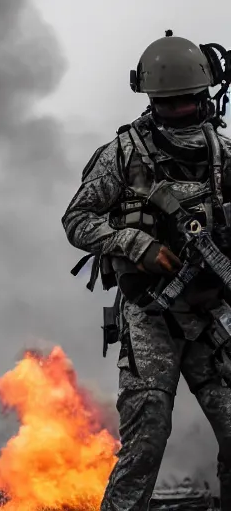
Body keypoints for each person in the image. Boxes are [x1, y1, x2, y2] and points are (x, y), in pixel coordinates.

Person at [62, 31, 231, 510]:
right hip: (151, 316)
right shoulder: (122, 155)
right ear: (152, 99)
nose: (179, 112)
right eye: (169, 104)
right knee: (146, 437)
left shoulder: (224, 155)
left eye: (188, 103)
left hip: (211, 318)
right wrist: (135, 244)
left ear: (204, 98)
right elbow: (77, 219)